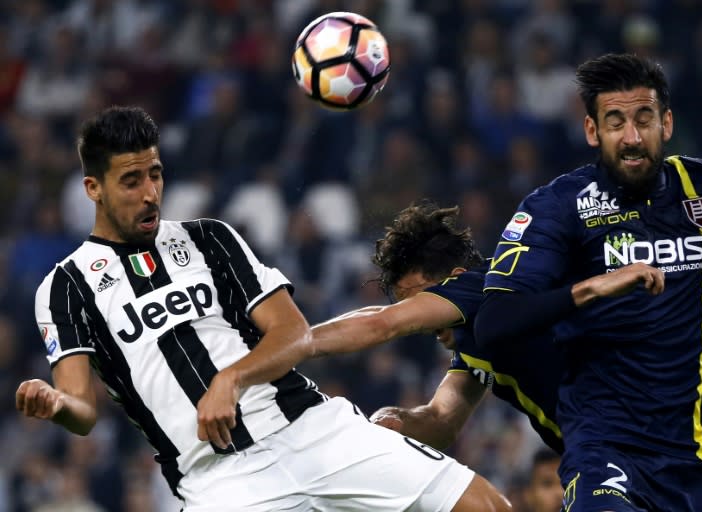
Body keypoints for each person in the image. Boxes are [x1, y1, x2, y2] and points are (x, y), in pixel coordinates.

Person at [14, 106, 513, 512]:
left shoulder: (209, 239)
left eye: (155, 174)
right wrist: (56, 404)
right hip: (216, 479)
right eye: (130, 181)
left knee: (484, 506)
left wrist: (230, 378)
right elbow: (82, 410)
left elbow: (293, 334)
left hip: (312, 429)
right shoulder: (64, 288)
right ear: (92, 188)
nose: (150, 193)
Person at [476, 53, 702, 511]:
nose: (632, 138)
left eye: (643, 119)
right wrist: (590, 287)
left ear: (665, 123)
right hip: (609, 449)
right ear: (592, 130)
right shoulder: (559, 207)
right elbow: (494, 322)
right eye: (615, 122)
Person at [311, 200, 564, 454]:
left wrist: (295, 342)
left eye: (420, 301)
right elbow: (442, 421)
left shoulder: (484, 285)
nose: (420, 323)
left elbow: (380, 322)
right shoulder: (471, 345)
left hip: (601, 422)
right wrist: (396, 420)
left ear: (457, 277)